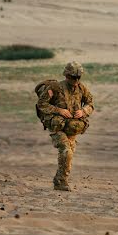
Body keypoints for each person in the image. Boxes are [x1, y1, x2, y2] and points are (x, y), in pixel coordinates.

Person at [35, 61, 95, 191]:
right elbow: (41, 104)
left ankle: (60, 180)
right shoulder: (55, 87)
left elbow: (90, 103)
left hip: (72, 127)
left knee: (69, 154)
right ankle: (61, 182)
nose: (76, 80)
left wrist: (83, 111)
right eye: (74, 77)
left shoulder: (81, 88)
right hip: (57, 126)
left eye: (78, 77)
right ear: (67, 76)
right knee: (66, 151)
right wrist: (59, 110)